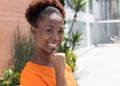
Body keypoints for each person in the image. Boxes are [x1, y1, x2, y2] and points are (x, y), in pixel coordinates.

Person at [20, 0, 78, 86]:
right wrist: (60, 74)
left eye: (60, 31)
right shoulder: (30, 75)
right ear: (34, 31)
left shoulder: (63, 66)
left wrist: (60, 69)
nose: (56, 38)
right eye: (49, 30)